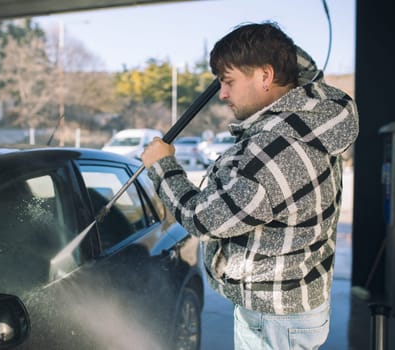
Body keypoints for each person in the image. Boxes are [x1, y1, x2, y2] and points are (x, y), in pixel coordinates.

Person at [141, 22, 359, 349]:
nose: (223, 94)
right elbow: (300, 68)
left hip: (274, 317)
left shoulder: (276, 151)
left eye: (228, 82)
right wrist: (261, 48)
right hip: (298, 303)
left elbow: (203, 219)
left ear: (265, 76)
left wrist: (162, 165)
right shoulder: (312, 115)